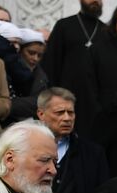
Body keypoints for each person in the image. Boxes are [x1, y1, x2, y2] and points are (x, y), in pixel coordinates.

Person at [39, 0, 104, 135]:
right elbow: (51, 63)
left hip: (95, 103)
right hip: (64, 98)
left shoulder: (106, 31)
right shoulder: (64, 26)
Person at [4, 33, 49, 123]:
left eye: (39, 55)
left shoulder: (40, 75)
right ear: (20, 51)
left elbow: (42, 102)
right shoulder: (5, 69)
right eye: (31, 53)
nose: (35, 58)